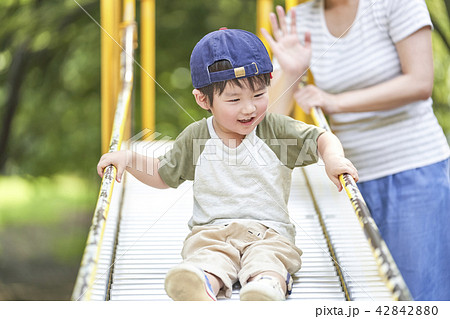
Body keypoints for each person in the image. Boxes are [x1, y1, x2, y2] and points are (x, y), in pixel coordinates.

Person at [97, 28, 358, 301]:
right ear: (203, 99)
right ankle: (201, 284)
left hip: (268, 231)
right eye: (234, 100)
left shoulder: (277, 131)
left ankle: (266, 287)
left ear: (269, 84)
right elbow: (164, 173)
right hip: (213, 232)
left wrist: (334, 159)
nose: (249, 108)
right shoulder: (196, 137)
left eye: (258, 95)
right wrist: (129, 159)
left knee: (269, 258)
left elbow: (322, 139)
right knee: (207, 257)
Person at [262, 0, 450, 300]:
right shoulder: (301, 17)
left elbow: (420, 81)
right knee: (368, 298)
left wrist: (335, 101)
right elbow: (268, 121)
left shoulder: (395, 4)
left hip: (415, 174)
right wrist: (292, 71)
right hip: (348, 184)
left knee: (422, 297)